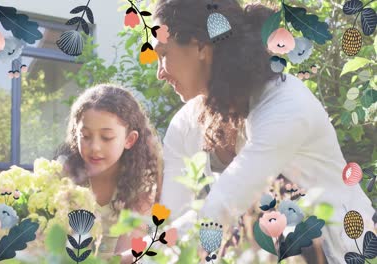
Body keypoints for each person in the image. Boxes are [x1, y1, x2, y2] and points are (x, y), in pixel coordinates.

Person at [153, 0, 375, 263]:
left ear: (201, 46)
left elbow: (225, 205)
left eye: (164, 54)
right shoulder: (187, 123)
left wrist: (142, 255)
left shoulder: (286, 106)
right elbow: (172, 217)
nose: (160, 73)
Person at [54, 84, 162, 262]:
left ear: (129, 139)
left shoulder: (141, 185)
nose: (95, 147)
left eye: (106, 138)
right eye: (86, 136)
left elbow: (127, 254)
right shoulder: (64, 176)